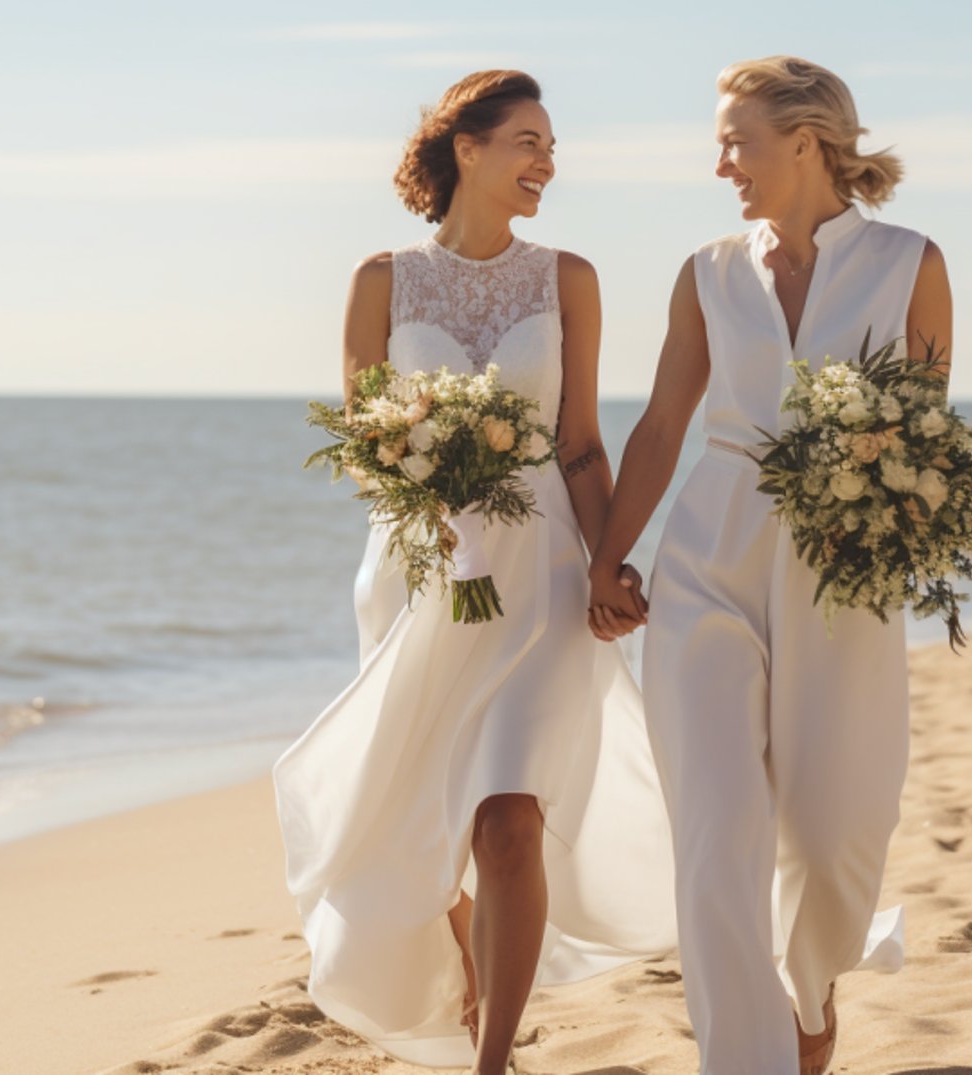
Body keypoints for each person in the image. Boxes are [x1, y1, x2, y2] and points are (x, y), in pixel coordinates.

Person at [273, 69, 677, 1074]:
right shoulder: (382, 283)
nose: (547, 163)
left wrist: (608, 562)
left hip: (539, 574)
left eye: (551, 148)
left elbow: (579, 443)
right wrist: (432, 481)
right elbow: (365, 447)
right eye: (528, 143)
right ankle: (455, 949)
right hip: (423, 577)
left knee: (508, 818)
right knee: (427, 818)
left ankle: (494, 1059)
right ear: (468, 148)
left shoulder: (568, 278)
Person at [587, 55, 953, 1075]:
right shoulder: (707, 271)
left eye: (734, 141)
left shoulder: (909, 262)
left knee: (837, 832)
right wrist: (610, 557)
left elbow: (928, 431)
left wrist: (892, 515)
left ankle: (814, 980)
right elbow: (663, 424)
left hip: (847, 571)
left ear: (805, 143)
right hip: (710, 557)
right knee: (715, 831)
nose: (720, 164)